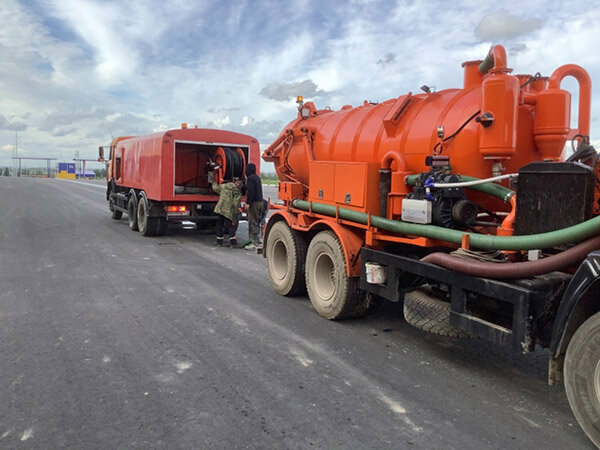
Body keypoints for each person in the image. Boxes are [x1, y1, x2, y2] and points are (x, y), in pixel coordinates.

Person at [211, 177, 243, 247]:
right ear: (238, 186)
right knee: (230, 226)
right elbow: (235, 204)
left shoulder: (224, 186)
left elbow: (216, 188)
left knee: (220, 225)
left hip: (220, 209)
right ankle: (233, 243)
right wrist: (236, 213)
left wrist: (213, 182)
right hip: (228, 211)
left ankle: (219, 242)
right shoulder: (237, 192)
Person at [243, 163, 264, 250]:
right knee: (257, 222)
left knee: (252, 222)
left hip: (254, 203)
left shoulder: (250, 178)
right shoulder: (257, 178)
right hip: (260, 202)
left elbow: (251, 191)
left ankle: (253, 243)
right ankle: (258, 241)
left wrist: (248, 202)